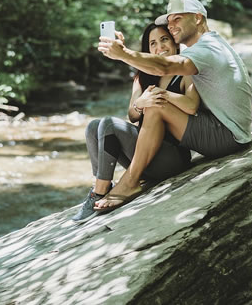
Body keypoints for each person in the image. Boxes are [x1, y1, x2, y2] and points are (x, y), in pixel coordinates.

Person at [95, 0, 252, 213]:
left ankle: (129, 183)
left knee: (157, 103)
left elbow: (165, 67)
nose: (171, 25)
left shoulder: (207, 49)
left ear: (198, 18)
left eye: (177, 19)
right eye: (169, 21)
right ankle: (115, 184)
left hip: (227, 135)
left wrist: (123, 54)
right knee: (146, 106)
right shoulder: (208, 44)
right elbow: (135, 110)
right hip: (226, 129)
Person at [72, 23, 200, 223]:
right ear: (148, 50)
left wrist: (164, 95)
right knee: (93, 126)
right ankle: (102, 186)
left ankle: (99, 193)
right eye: (153, 43)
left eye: (164, 39)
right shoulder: (143, 76)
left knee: (109, 123)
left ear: (175, 43)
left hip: (172, 159)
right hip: (144, 156)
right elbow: (132, 115)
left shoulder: (185, 70)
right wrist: (141, 104)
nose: (160, 47)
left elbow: (192, 106)